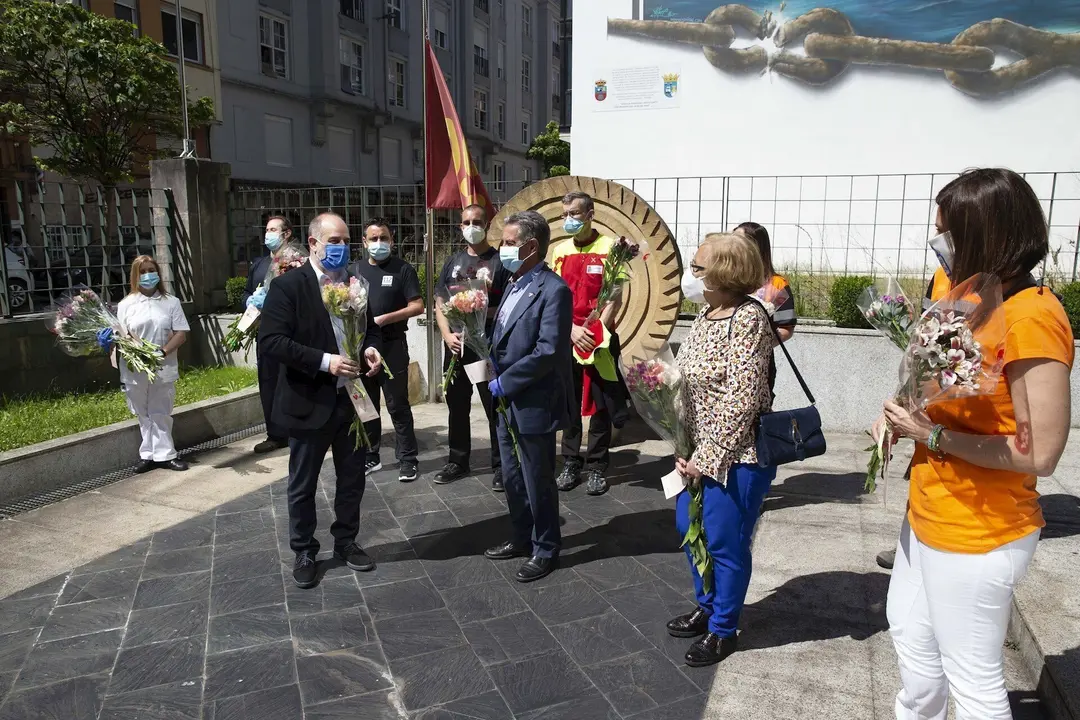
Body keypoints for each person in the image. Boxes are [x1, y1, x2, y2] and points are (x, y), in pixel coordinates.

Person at [878, 168, 1073, 720]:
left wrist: (932, 434)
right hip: (928, 512)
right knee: (912, 643)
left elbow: (1039, 453)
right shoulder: (960, 292)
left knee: (974, 683)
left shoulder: (1033, 316)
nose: (940, 244)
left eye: (949, 232)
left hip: (979, 531)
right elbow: (933, 377)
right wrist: (900, 411)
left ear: (988, 236)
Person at [666, 232, 777, 667]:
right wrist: (678, 438)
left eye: (697, 266)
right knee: (687, 528)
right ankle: (707, 604)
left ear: (723, 271)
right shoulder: (706, 314)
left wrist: (706, 455)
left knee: (724, 542)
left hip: (736, 457)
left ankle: (723, 628)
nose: (691, 275)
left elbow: (744, 396)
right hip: (692, 453)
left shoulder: (748, 318)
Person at [259, 212, 384, 589]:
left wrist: (372, 349)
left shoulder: (354, 284)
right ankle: (304, 549)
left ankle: (346, 540)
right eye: (334, 241)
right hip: (307, 400)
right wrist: (325, 362)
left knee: (352, 479)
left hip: (351, 401)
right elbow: (272, 342)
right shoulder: (289, 287)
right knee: (303, 483)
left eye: (345, 240)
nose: (341, 248)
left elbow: (370, 326)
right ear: (312, 244)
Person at [485, 210, 573, 583]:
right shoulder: (512, 282)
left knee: (537, 476)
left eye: (508, 243)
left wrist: (509, 381)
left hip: (531, 398)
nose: (502, 250)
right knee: (511, 474)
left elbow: (548, 349)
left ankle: (546, 548)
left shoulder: (554, 290)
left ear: (531, 246)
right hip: (504, 399)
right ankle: (521, 537)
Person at [550, 190, 630, 496]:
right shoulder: (559, 250)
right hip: (567, 338)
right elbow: (554, 299)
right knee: (569, 402)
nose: (569, 220)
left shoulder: (611, 247)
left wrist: (597, 334)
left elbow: (615, 296)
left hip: (600, 339)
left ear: (590, 214)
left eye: (575, 214)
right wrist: (571, 331)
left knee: (600, 404)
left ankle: (597, 466)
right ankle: (570, 461)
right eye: (565, 214)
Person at [433, 204, 512, 490]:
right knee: (457, 404)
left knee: (494, 405)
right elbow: (440, 303)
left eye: (476, 221)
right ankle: (458, 460)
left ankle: (502, 463)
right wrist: (446, 336)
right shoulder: (451, 261)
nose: (471, 226)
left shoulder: (500, 261)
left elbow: (507, 306)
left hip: (485, 347)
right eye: (465, 222)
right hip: (457, 347)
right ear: (459, 226)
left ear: (487, 224)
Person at [354, 218, 423, 482]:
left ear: (392, 241)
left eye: (384, 238)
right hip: (361, 348)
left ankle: (408, 460)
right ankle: (371, 455)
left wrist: (385, 319)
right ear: (364, 242)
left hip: (393, 346)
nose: (379, 243)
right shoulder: (355, 270)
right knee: (366, 405)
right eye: (373, 239)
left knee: (397, 405)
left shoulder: (402, 270)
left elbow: (417, 306)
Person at [116, 255, 190, 474]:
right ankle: (147, 454)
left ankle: (166, 454)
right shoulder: (126, 304)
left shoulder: (171, 302)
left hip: (162, 365)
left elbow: (181, 334)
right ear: (135, 275)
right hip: (135, 368)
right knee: (143, 411)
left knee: (162, 410)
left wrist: (162, 351)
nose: (148, 275)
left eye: (152, 270)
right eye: (143, 271)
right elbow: (120, 334)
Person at [245, 215, 298, 454]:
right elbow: (246, 292)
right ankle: (275, 434)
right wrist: (249, 301)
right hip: (264, 333)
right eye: (267, 229)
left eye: (274, 229)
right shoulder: (259, 264)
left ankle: (297, 429)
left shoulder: (298, 261)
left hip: (291, 334)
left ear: (287, 233)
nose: (268, 234)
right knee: (268, 382)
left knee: (293, 381)